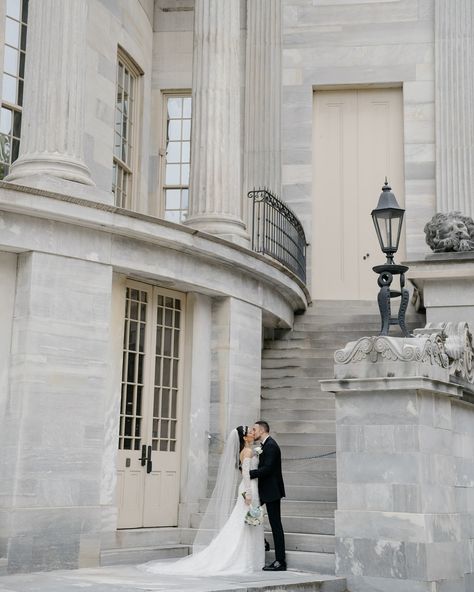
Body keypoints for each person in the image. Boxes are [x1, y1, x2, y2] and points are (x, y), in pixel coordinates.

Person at [140, 426, 265, 575]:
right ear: (244, 438)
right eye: (250, 432)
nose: (253, 433)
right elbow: (245, 474)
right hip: (248, 488)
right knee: (243, 522)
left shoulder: (248, 451)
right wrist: (249, 494)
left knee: (244, 521)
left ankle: (249, 557)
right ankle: (241, 557)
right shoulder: (248, 452)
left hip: (249, 487)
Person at [250, 420, 286, 571]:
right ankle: (263, 543)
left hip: (271, 492)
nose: (253, 432)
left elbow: (268, 469)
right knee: (250, 516)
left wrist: (249, 473)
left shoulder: (271, 446)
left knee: (275, 525)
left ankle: (280, 561)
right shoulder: (264, 445)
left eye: (255, 429)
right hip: (264, 491)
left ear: (262, 430)